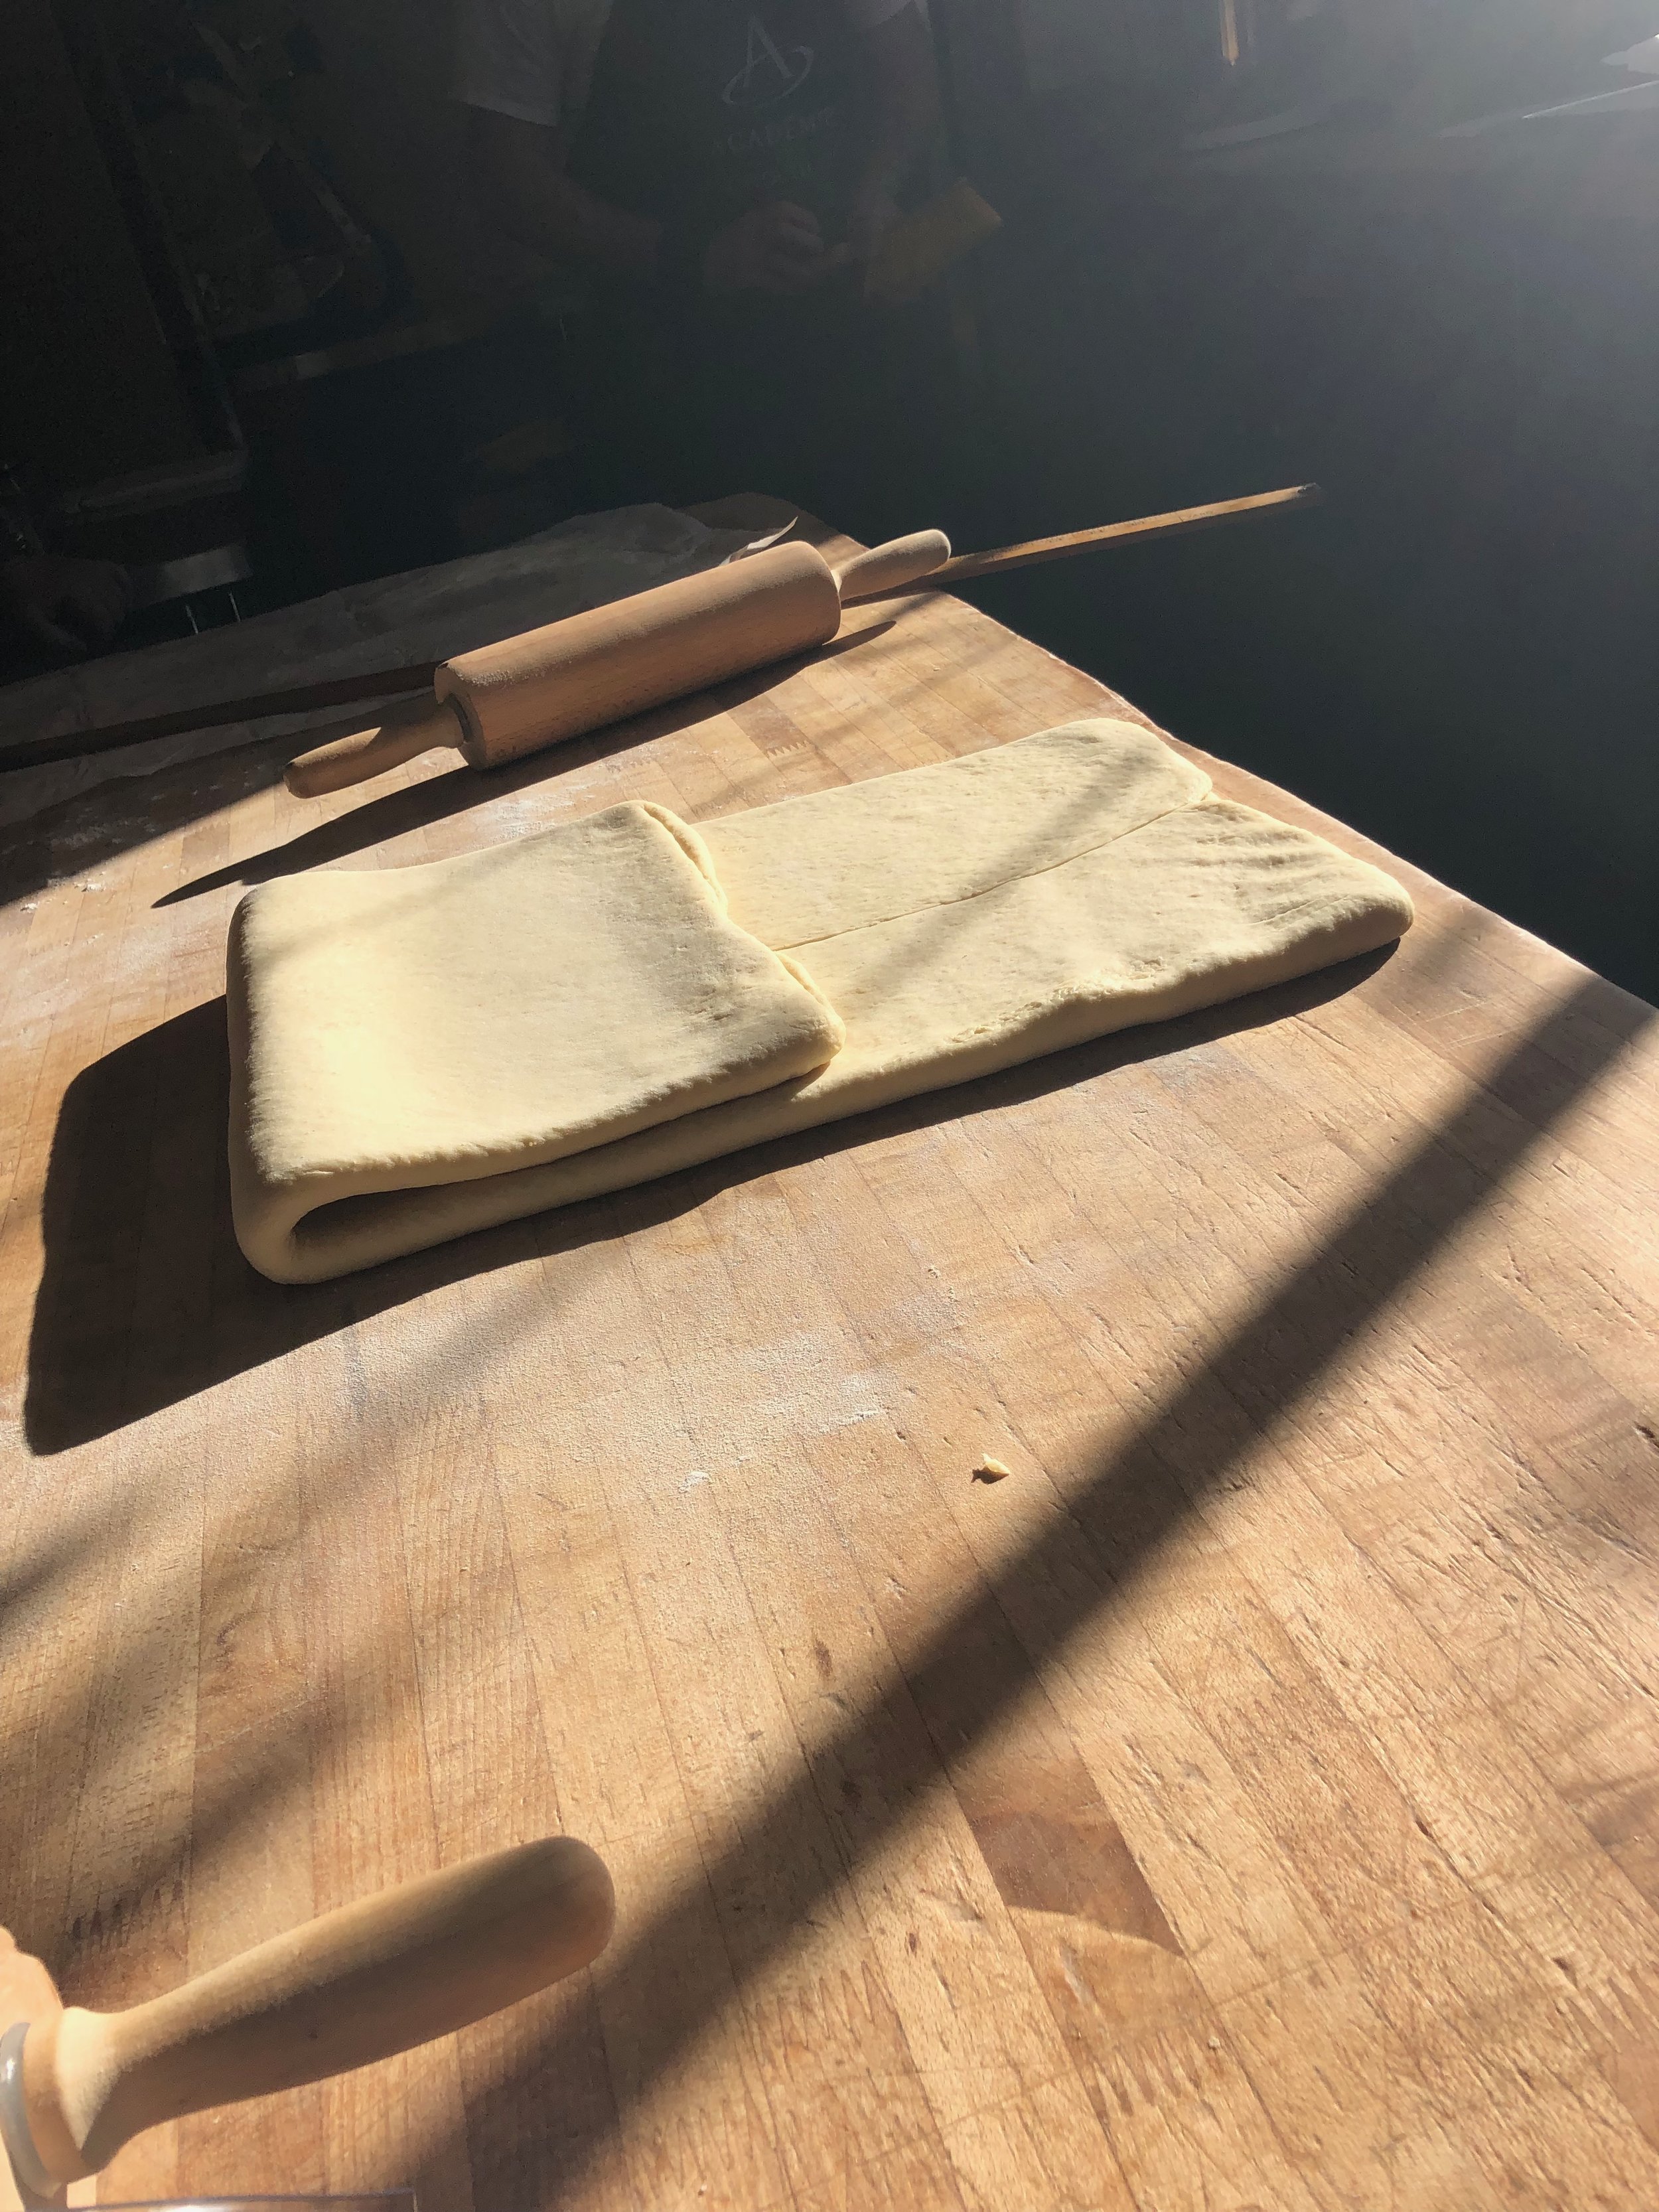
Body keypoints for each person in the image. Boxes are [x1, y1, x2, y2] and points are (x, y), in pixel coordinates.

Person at [457, 0, 944, 528]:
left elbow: (909, 70)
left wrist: (882, 189)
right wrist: (696, 256)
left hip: (866, 341)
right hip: (677, 381)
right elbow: (508, 182)